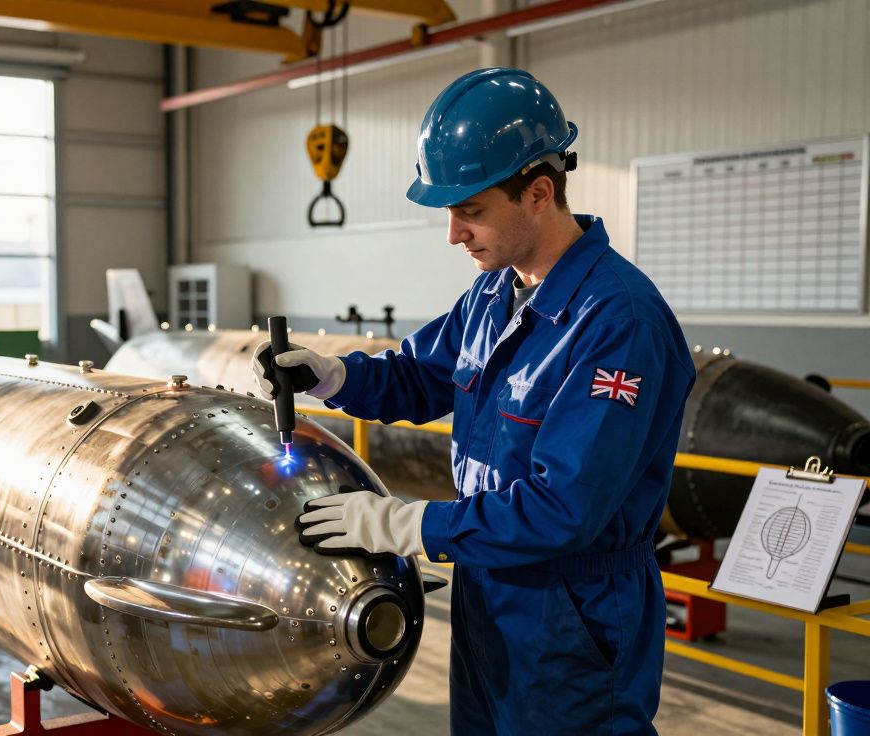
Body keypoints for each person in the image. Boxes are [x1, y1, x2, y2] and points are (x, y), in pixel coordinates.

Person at [252, 68, 695, 735]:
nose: (454, 234)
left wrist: (405, 526)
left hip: (574, 615)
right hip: (491, 593)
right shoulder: (494, 294)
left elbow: (564, 509)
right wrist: (330, 376)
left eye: (472, 210)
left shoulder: (618, 322)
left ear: (539, 193)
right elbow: (418, 374)